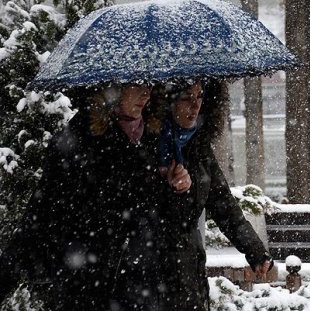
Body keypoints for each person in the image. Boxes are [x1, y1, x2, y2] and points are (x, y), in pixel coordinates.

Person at [111, 79, 273, 311]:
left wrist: (255, 251)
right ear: (168, 102)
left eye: (200, 96)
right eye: (187, 97)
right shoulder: (141, 143)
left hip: (188, 273)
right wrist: (170, 188)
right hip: (145, 276)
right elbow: (133, 209)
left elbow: (224, 206)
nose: (195, 105)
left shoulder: (198, 147)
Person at [0, 83, 159, 310]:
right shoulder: (80, 140)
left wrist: (172, 181)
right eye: (136, 85)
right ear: (112, 88)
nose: (147, 93)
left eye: (150, 85)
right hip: (86, 286)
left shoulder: (152, 139)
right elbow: (40, 214)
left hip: (136, 290)